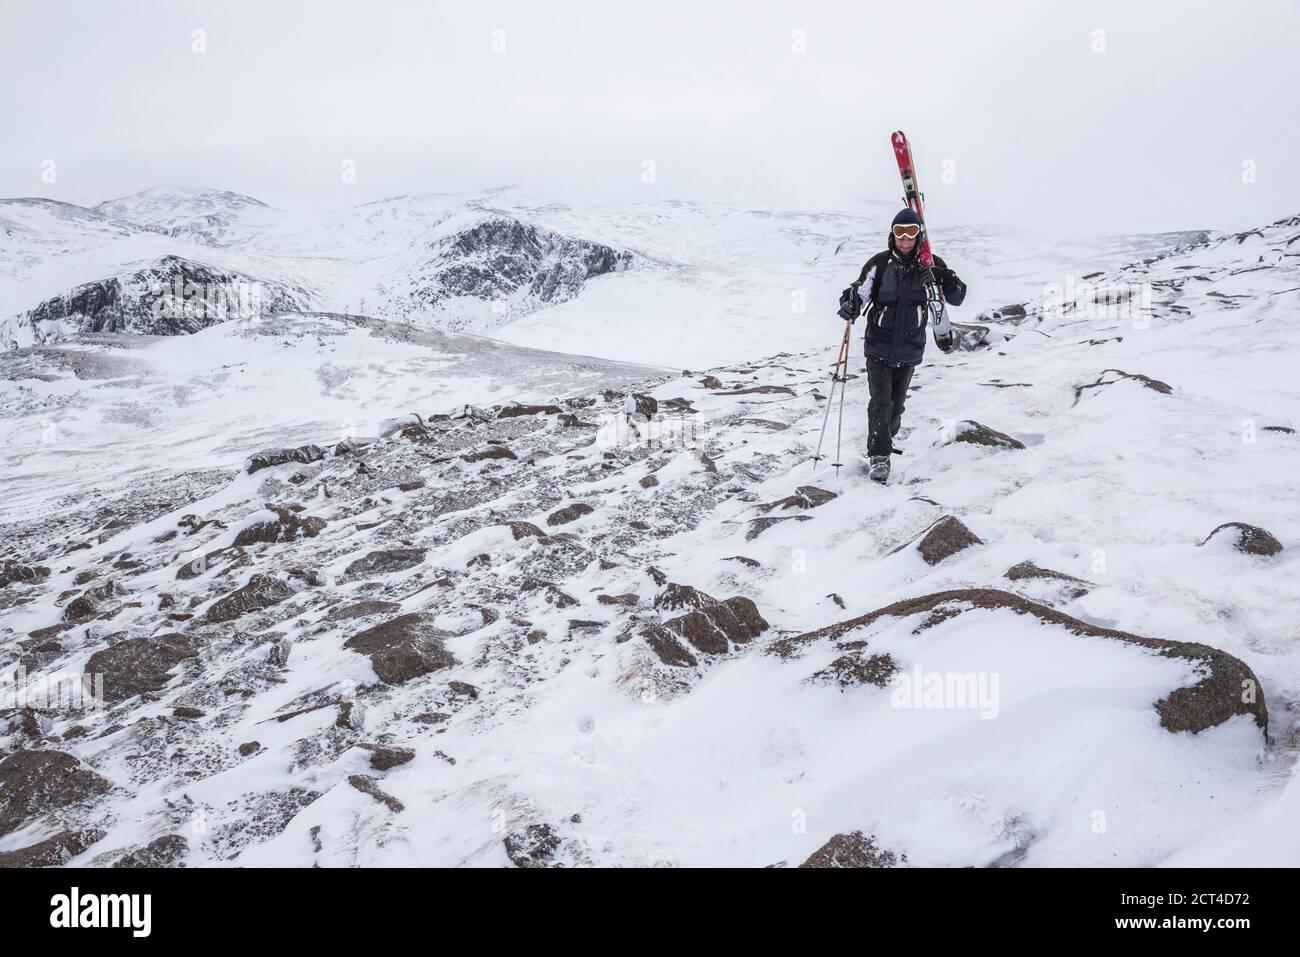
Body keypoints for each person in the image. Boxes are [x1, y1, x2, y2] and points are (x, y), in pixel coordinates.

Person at [837, 208, 968, 483]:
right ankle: (879, 456)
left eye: (911, 234)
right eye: (900, 234)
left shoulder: (932, 264)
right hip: (878, 346)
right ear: (892, 235)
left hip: (910, 348)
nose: (905, 241)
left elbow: (957, 297)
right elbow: (859, 292)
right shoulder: (880, 264)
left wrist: (942, 277)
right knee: (881, 402)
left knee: (896, 407)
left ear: (919, 235)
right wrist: (849, 304)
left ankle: (885, 433)